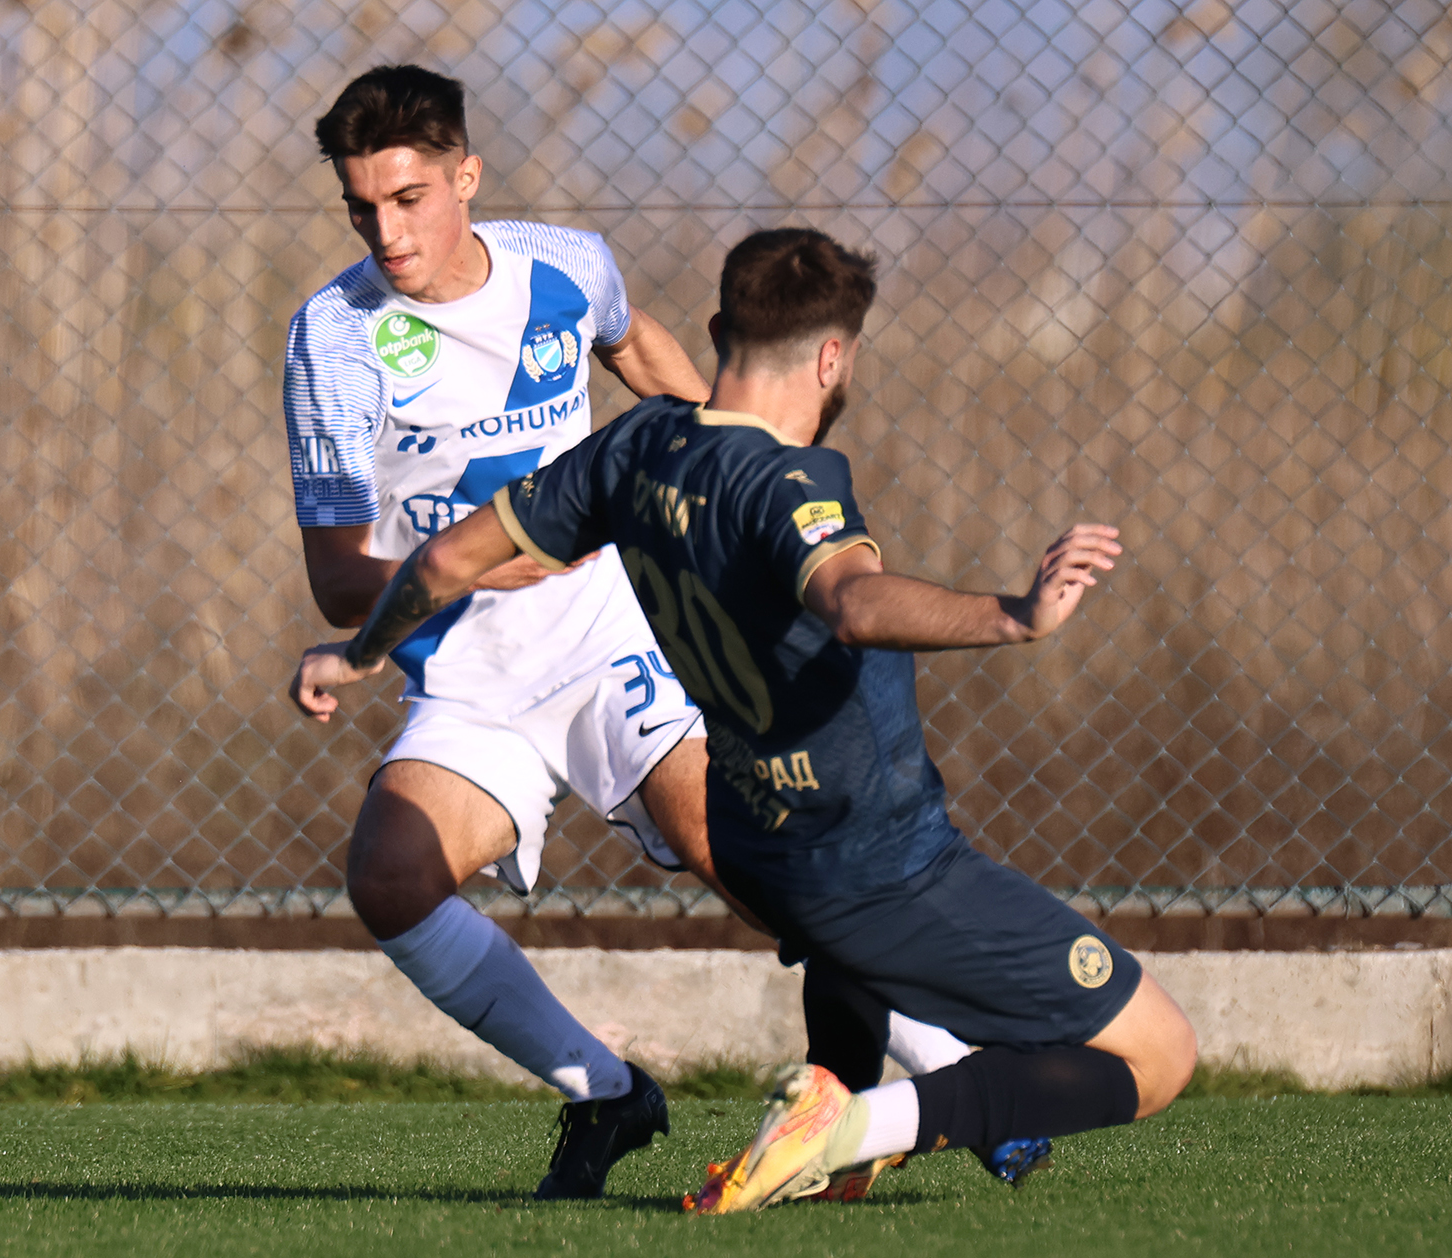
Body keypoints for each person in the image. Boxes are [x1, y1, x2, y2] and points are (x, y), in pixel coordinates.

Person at [289, 227, 1198, 1213]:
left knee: (841, 956)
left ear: (717, 329)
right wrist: (1011, 616)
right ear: (833, 356)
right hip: (884, 864)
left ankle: (831, 1118)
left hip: (764, 836)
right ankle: (860, 1124)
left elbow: (436, 563)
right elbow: (853, 601)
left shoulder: (630, 450)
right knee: (1159, 1053)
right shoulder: (793, 482)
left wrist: (359, 651)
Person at [284, 65, 995, 1200]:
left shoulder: (567, 267)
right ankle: (609, 1093)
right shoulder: (332, 337)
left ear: (465, 176)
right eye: (363, 206)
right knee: (391, 874)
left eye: (410, 197)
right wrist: (501, 562)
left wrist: (732, 499)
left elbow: (668, 388)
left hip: (610, 626)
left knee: (735, 847)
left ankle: (960, 1080)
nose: (388, 229)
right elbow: (335, 578)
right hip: (466, 667)